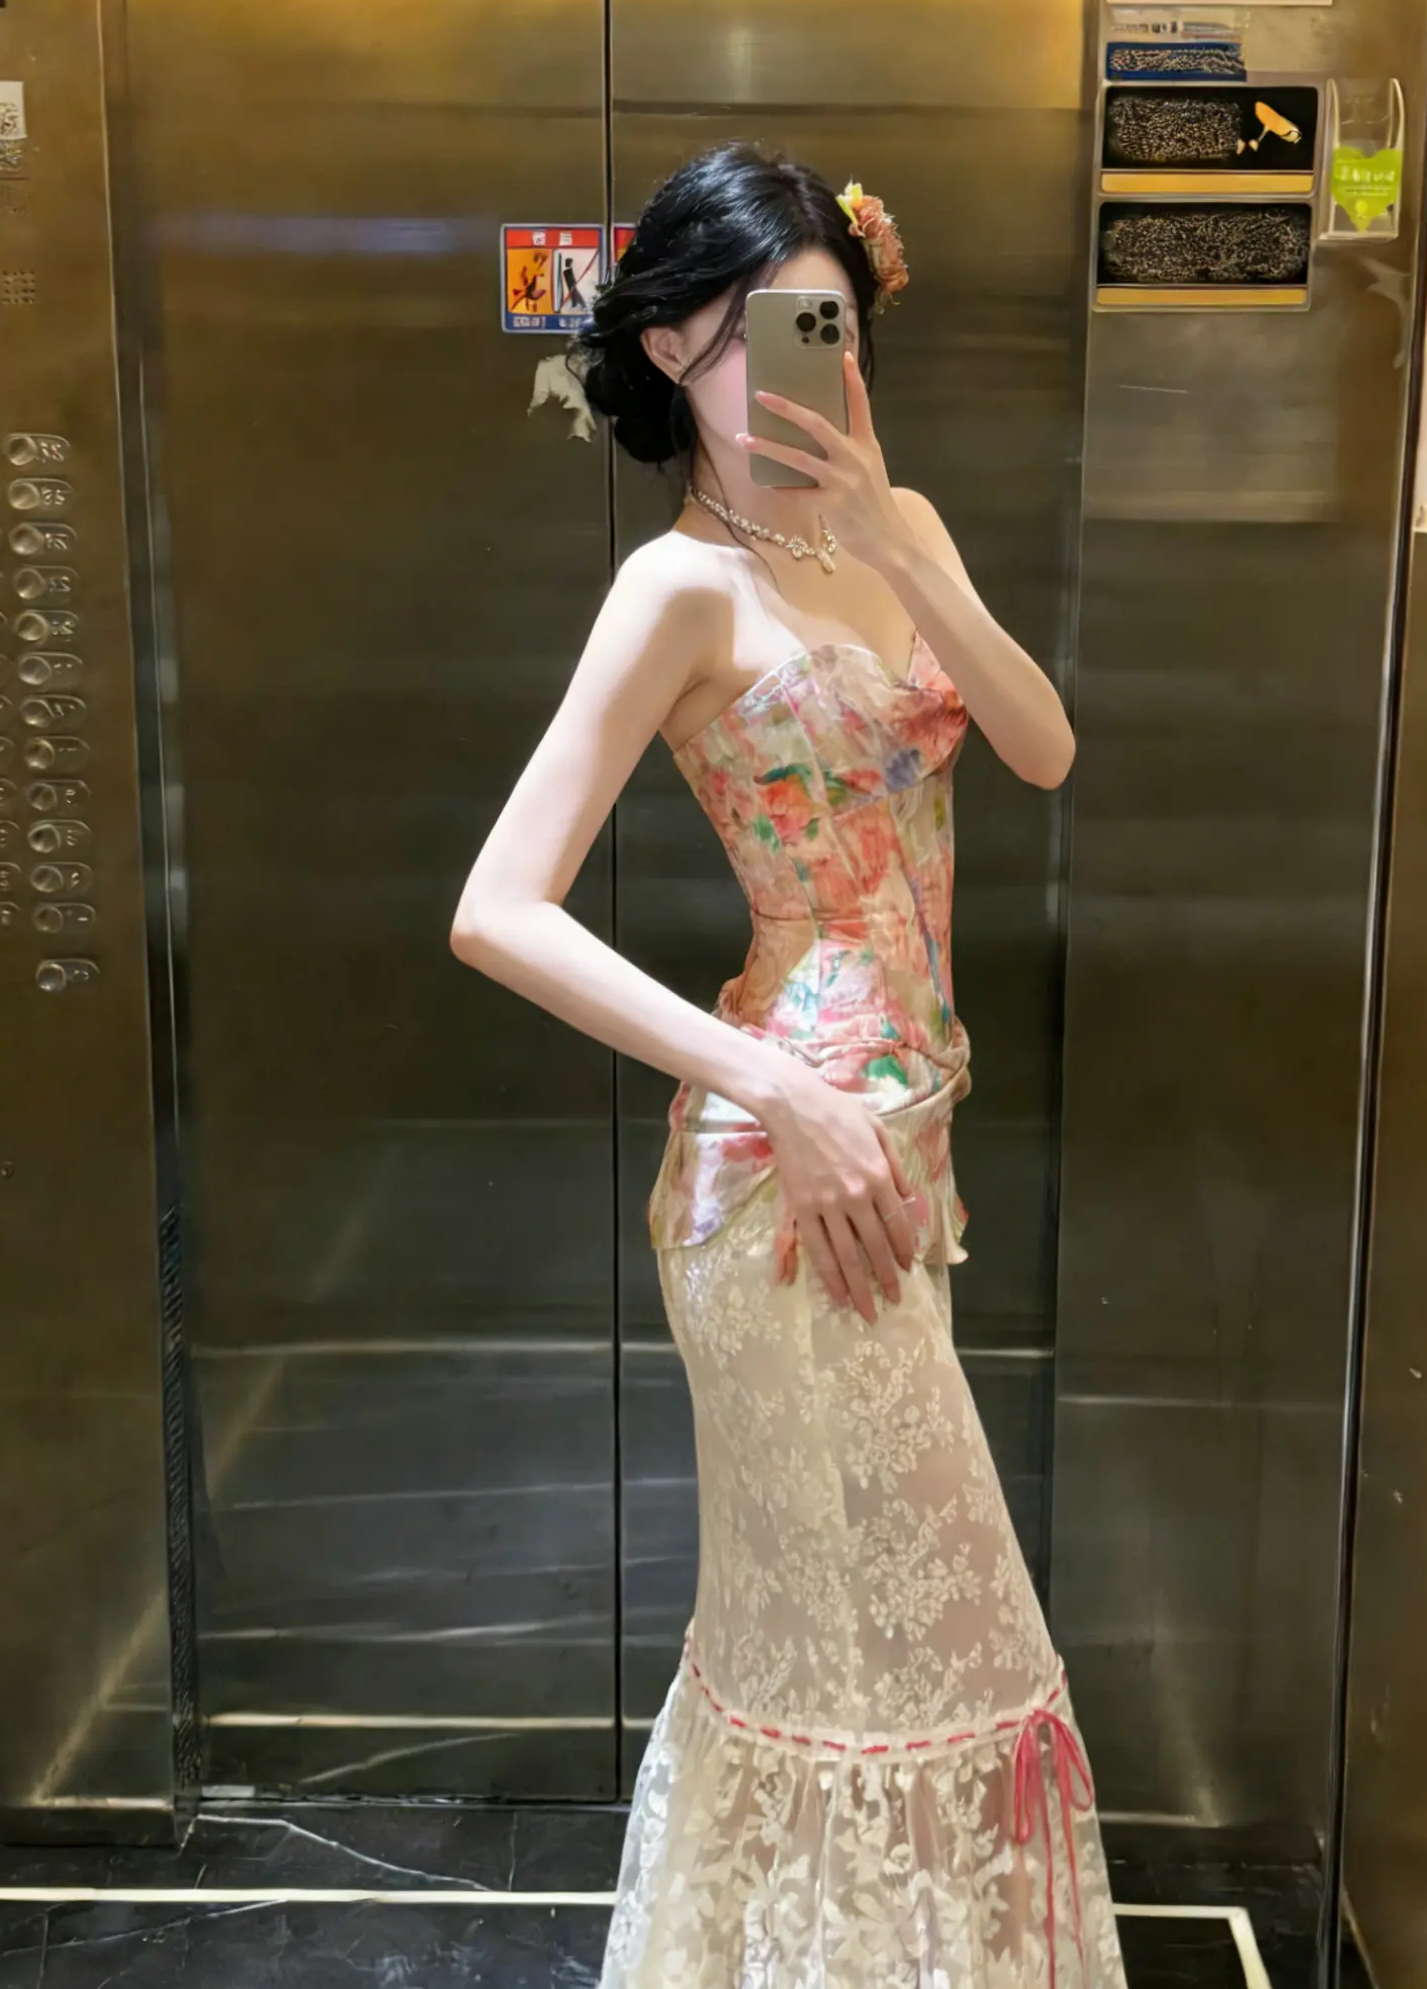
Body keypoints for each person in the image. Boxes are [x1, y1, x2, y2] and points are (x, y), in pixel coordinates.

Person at [451, 141, 1129, 1985]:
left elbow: (1046, 748)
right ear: (672, 351)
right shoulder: (674, 590)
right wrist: (781, 1090)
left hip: (904, 1155)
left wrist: (901, 542)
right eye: (749, 335)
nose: (793, 371)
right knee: (910, 1664)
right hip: (788, 1178)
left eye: (823, 325)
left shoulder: (903, 534)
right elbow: (496, 909)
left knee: (852, 1663)